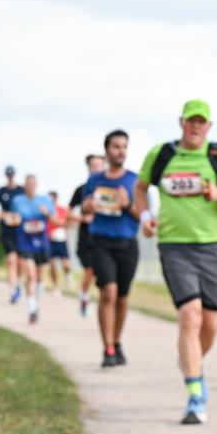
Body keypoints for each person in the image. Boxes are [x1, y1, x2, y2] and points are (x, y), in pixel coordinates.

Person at [134, 100, 217, 423]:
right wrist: (144, 215)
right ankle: (195, 392)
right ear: (181, 123)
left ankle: (191, 362)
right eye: (190, 121)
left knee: (210, 324)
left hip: (214, 247)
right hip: (174, 246)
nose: (195, 127)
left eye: (201, 122)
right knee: (190, 315)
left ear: (209, 126)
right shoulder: (162, 155)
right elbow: (140, 189)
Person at [81, 132, 140, 366]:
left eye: (124, 146)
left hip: (127, 243)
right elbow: (85, 208)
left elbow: (142, 214)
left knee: (123, 298)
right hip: (101, 242)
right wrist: (87, 206)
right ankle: (107, 349)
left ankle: (116, 342)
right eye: (116, 147)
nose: (121, 151)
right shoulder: (94, 180)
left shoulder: (134, 180)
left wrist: (128, 205)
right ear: (106, 150)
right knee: (108, 292)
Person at [10, 175, 56, 323]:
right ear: (24, 185)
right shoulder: (17, 201)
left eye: (32, 183)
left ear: (36, 185)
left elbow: (54, 219)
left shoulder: (45, 200)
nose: (30, 186)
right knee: (30, 274)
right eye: (27, 184)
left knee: (38, 276)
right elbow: (12, 217)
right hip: (24, 241)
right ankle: (32, 308)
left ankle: (36, 298)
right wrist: (15, 220)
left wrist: (46, 214)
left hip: (41, 242)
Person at [70, 154, 106, 317]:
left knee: (105, 276)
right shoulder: (81, 190)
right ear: (88, 168)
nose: (96, 169)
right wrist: (84, 218)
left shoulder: (108, 188)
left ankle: (104, 305)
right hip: (87, 238)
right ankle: (84, 296)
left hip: (105, 237)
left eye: (99, 165)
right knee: (89, 271)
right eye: (94, 166)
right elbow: (69, 214)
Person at [0, 165, 25, 303]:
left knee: (21, 262)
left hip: (22, 230)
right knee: (11, 260)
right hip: (7, 230)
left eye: (12, 174)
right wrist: (2, 215)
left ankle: (18, 283)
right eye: (8, 174)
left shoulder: (21, 190)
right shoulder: (0, 191)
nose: (10, 176)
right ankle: (12, 289)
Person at [47, 191, 73, 293]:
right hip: (49, 240)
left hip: (61, 239)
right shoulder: (46, 211)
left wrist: (60, 222)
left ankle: (68, 276)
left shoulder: (62, 209)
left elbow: (67, 222)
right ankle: (55, 286)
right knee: (52, 265)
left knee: (65, 263)